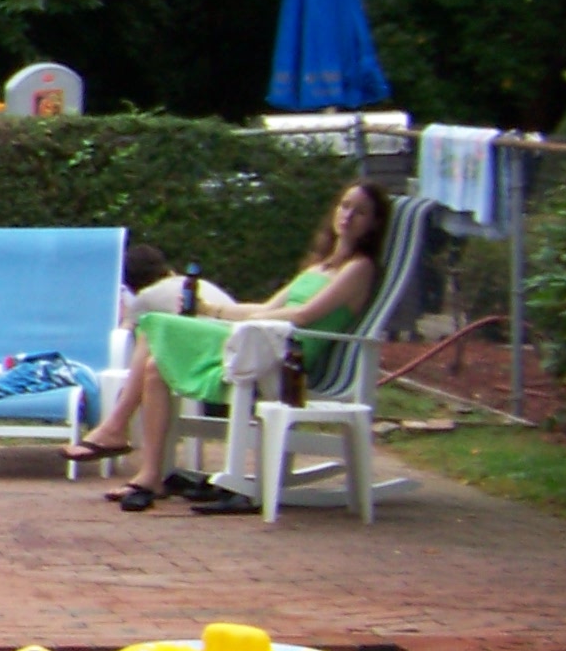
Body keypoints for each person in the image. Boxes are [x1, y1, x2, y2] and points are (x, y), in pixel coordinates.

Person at [92, 179, 389, 513]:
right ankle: (150, 474)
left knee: (154, 326)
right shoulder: (317, 267)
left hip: (287, 358)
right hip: (259, 340)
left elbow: (304, 315)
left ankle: (116, 427)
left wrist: (241, 319)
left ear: (374, 223)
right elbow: (267, 306)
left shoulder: (359, 268)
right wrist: (213, 310)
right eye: (345, 206)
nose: (348, 216)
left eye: (360, 212)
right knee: (155, 366)